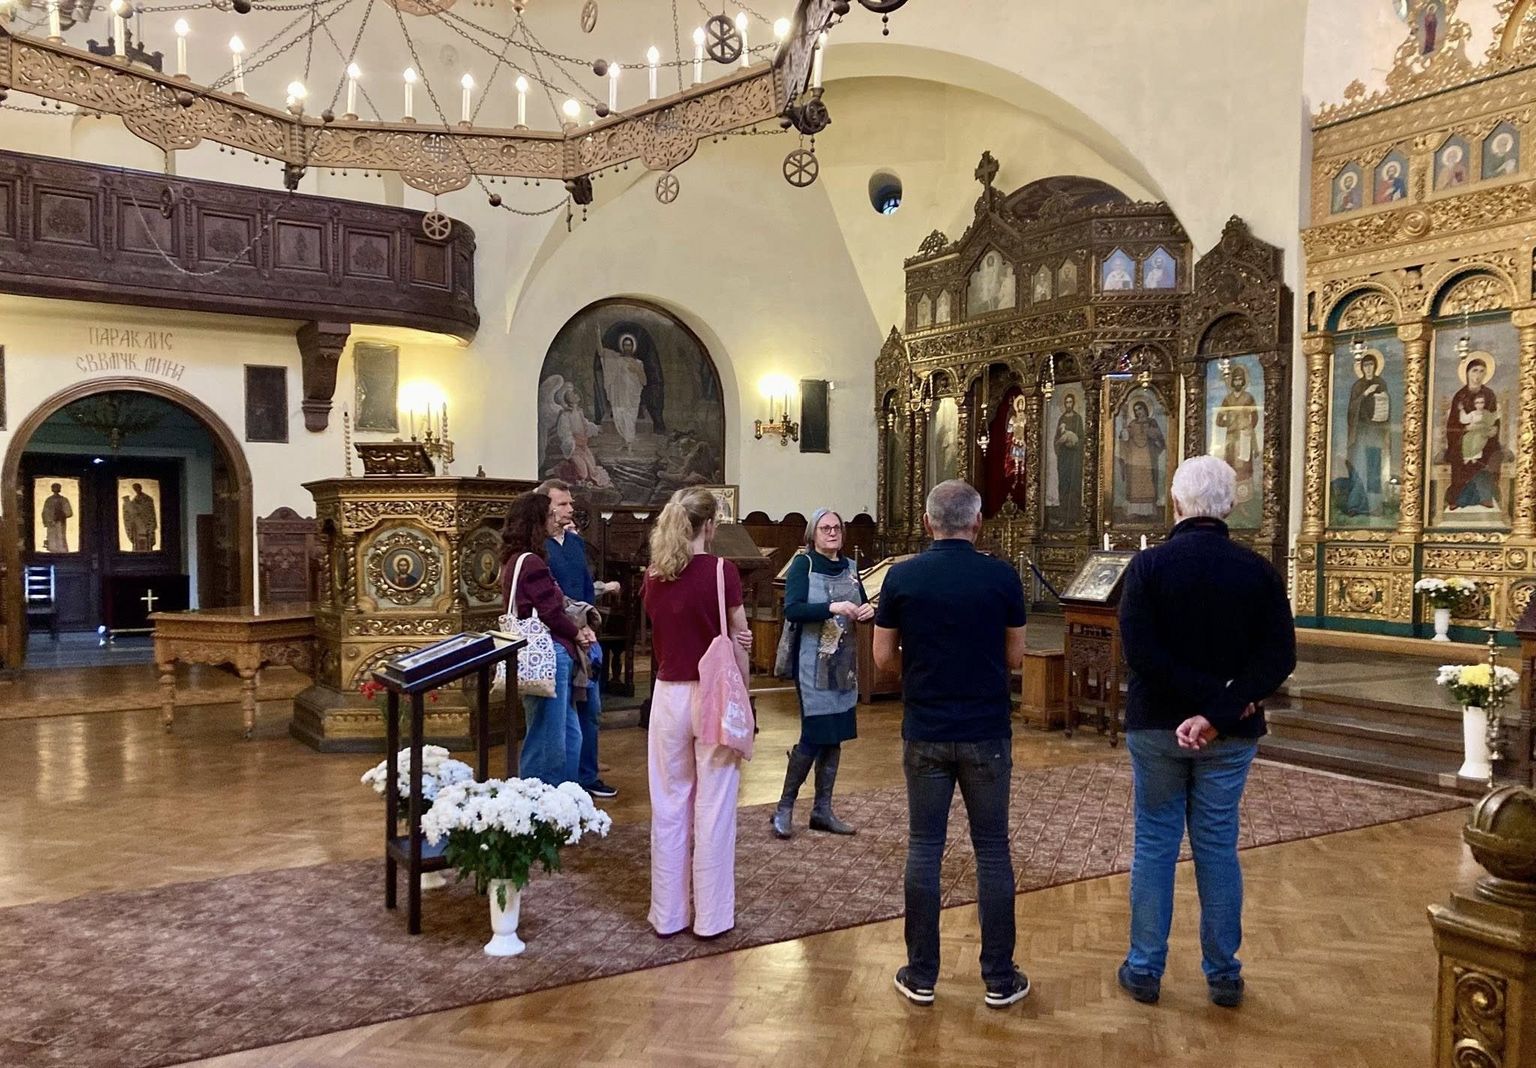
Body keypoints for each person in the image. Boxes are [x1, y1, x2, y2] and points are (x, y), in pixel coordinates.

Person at [1115, 455, 1296, 1010]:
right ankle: (1223, 974)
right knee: (1217, 847)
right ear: (1232, 504)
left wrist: (1201, 708)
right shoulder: (1258, 570)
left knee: (1155, 843)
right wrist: (1219, 711)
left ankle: (1144, 968)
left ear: (1174, 503)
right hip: (1230, 732)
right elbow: (1280, 657)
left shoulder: (1147, 568)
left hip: (1158, 726)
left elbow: (1142, 654)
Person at [873, 479, 1030, 1009]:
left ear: (927, 522)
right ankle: (1000, 977)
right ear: (978, 522)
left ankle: (921, 974)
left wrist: (922, 673)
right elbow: (1015, 658)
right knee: (992, 850)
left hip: (926, 729)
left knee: (924, 847)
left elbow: (882, 657)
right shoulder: (1001, 577)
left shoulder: (903, 577)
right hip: (986, 730)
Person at [642, 486, 753, 938]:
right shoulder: (723, 571)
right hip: (714, 695)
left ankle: (668, 915)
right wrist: (747, 700)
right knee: (715, 806)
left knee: (669, 805)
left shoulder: (654, 575)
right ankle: (711, 918)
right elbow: (740, 640)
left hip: (668, 695)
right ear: (710, 525)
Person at [771, 509, 872, 839]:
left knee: (835, 734)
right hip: (811, 663)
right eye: (825, 528)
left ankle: (822, 810)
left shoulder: (850, 567)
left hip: (843, 664)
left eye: (837, 527)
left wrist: (869, 611)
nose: (832, 533)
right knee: (814, 734)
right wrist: (831, 608)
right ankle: (785, 806)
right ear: (812, 535)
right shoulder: (805, 564)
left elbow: (861, 604)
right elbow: (793, 609)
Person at [500, 492, 596, 786]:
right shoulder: (531, 562)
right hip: (548, 652)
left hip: (552, 651)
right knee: (547, 738)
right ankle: (540, 797)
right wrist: (577, 632)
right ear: (537, 521)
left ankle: (568, 793)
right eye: (550, 514)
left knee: (568, 733)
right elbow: (551, 613)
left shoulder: (519, 560)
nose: (556, 519)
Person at [537, 479, 620, 800]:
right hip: (557, 638)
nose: (570, 508)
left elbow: (585, 587)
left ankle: (588, 776)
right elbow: (551, 597)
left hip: (586, 636)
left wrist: (589, 626)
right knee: (561, 715)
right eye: (562, 503)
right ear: (545, 507)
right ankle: (564, 783)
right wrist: (574, 629)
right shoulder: (538, 547)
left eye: (570, 503)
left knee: (590, 709)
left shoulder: (574, 543)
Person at [1445, 356, 1503, 511]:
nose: (1478, 375)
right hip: (1463, 438)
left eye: (1482, 371)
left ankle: (1484, 496)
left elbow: (1494, 418)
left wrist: (1494, 430)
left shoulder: (1489, 394)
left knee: (1489, 454)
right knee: (1459, 455)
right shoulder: (1460, 396)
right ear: (1467, 373)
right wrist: (1465, 430)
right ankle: (1457, 498)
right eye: (1474, 371)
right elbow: (1452, 423)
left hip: (1485, 438)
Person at [1211, 366, 1260, 523]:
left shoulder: (1248, 398)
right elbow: (1219, 420)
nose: (1238, 382)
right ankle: (1231, 503)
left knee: (1244, 469)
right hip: (1231, 440)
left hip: (1244, 439)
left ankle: (1243, 504)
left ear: (1243, 381)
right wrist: (1229, 421)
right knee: (1231, 469)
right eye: (1236, 380)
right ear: (1232, 382)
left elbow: (1255, 417)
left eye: (1240, 380)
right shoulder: (1228, 399)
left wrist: (1248, 426)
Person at [1346, 350, 1392, 516]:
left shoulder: (1381, 383)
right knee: (1359, 467)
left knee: (1374, 467)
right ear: (1362, 368)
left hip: (1376, 430)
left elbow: (1386, 406)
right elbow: (1352, 409)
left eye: (1371, 365)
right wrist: (1366, 393)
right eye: (1365, 365)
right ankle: (1354, 505)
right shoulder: (1358, 386)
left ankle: (1374, 507)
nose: (1368, 368)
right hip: (1362, 431)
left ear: (1376, 366)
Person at [1118, 399, 1166, 520]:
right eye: (1136, 410)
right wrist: (1124, 428)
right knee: (1135, 483)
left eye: (1140, 409)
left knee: (1148, 482)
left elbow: (1160, 440)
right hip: (1134, 459)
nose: (1138, 412)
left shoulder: (1152, 422)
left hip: (1148, 458)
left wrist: (1151, 433)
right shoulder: (1133, 423)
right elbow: (1125, 438)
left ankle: (1149, 510)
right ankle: (1134, 510)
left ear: (1145, 409)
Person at [1053, 391, 1084, 525]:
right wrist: (1061, 442)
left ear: (1074, 403)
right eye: (1066, 402)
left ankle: (1075, 517)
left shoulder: (1078, 419)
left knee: (1075, 486)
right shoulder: (1061, 419)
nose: (1068, 405)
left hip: (1075, 458)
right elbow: (1056, 439)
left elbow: (1082, 438)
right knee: (1064, 486)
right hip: (1064, 458)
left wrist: (1075, 443)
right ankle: (1063, 517)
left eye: (1070, 402)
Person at [123, 483, 157, 552]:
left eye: (137, 488)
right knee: (138, 543)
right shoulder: (135, 499)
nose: (136, 490)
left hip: (146, 525)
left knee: (146, 544)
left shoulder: (147, 499)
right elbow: (132, 512)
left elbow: (149, 512)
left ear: (140, 488)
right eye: (135, 489)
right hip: (137, 528)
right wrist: (127, 503)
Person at [41, 483, 73, 553]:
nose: (55, 489)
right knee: (52, 540)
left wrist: (61, 515)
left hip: (60, 523)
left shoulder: (64, 500)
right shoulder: (49, 500)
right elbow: (44, 512)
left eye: (57, 487)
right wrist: (47, 521)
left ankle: (62, 553)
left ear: (60, 489)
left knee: (60, 539)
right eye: (54, 487)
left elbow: (69, 512)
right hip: (51, 524)